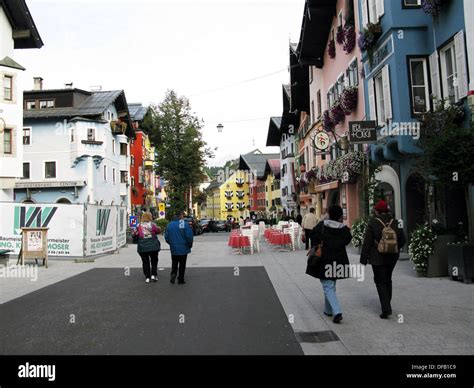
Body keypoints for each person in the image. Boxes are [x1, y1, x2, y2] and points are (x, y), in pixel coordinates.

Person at [360, 200, 406, 319]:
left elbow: (367, 242)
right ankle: (387, 303)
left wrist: (363, 259)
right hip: (392, 257)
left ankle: (386, 308)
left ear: (376, 211)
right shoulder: (396, 222)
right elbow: (403, 240)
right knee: (388, 279)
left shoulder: (373, 222)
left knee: (380, 281)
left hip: (377, 257)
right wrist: (394, 248)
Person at [306, 205, 352, 324]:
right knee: (331, 285)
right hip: (339, 260)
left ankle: (337, 312)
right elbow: (348, 239)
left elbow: (312, 235)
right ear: (340, 216)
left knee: (328, 286)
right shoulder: (344, 229)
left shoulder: (322, 225)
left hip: (324, 260)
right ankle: (328, 310)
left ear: (329, 214)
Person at [165, 211, 194, 284]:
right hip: (183, 247)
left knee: (174, 262)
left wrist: (171, 243)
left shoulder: (169, 225)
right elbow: (189, 236)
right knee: (182, 264)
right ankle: (180, 279)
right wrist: (190, 244)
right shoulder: (185, 224)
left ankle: (173, 273)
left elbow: (167, 237)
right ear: (180, 216)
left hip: (174, 247)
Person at [132, 212, 161, 283]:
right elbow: (158, 230)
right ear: (150, 217)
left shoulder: (138, 225)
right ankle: (154, 275)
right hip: (153, 246)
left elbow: (133, 234)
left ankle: (147, 277)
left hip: (142, 247)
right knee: (154, 260)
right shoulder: (153, 224)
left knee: (145, 262)